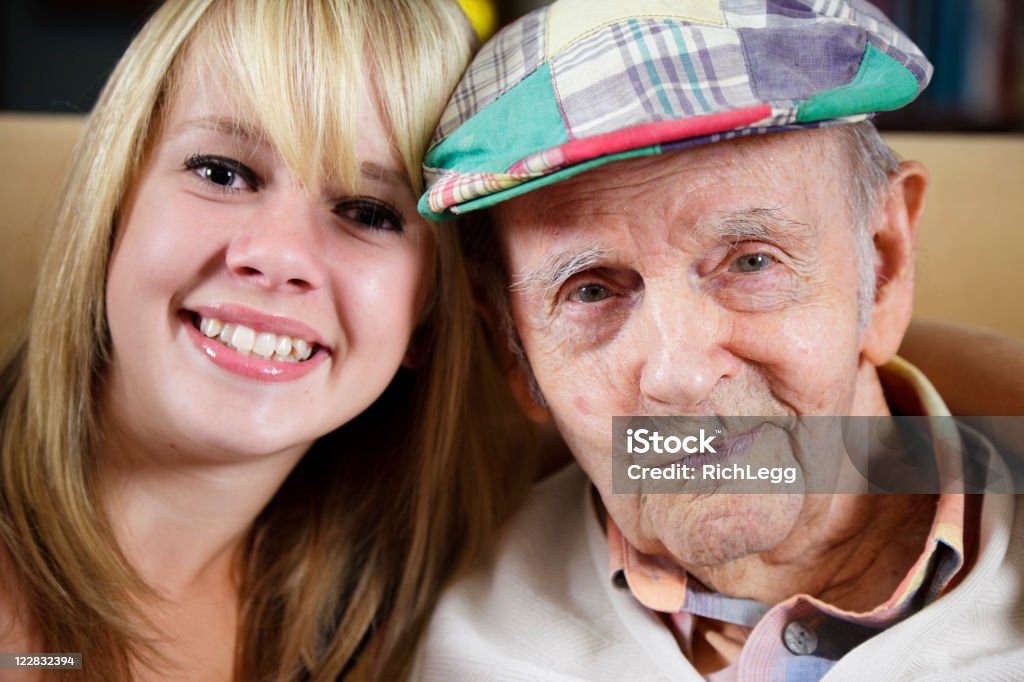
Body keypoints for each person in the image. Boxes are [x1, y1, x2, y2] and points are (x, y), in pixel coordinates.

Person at [413, 0, 1023, 679]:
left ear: (883, 263)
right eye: (590, 289)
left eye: (751, 261)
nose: (680, 374)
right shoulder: (437, 633)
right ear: (510, 345)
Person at [0, 1, 533, 680]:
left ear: (433, 316)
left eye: (368, 213)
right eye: (221, 172)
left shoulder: (426, 588)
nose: (278, 256)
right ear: (111, 206)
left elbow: (699, 454)